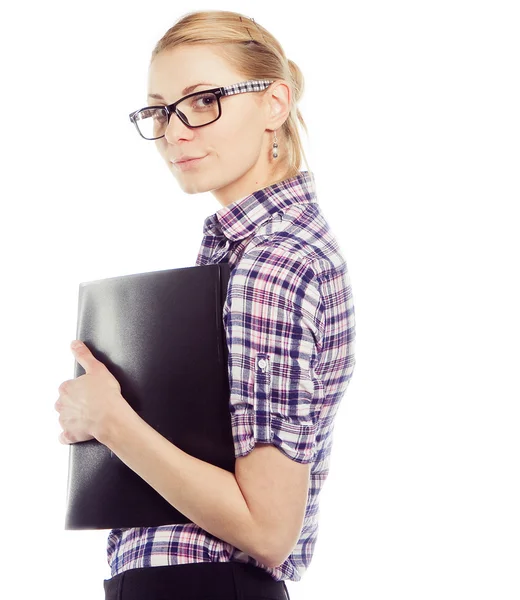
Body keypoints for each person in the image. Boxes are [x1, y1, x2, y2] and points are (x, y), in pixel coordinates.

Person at [103, 9, 356, 600]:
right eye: (160, 109)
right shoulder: (246, 253)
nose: (175, 131)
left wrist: (111, 423)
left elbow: (268, 529)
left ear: (274, 103)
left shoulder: (272, 263)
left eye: (203, 100)